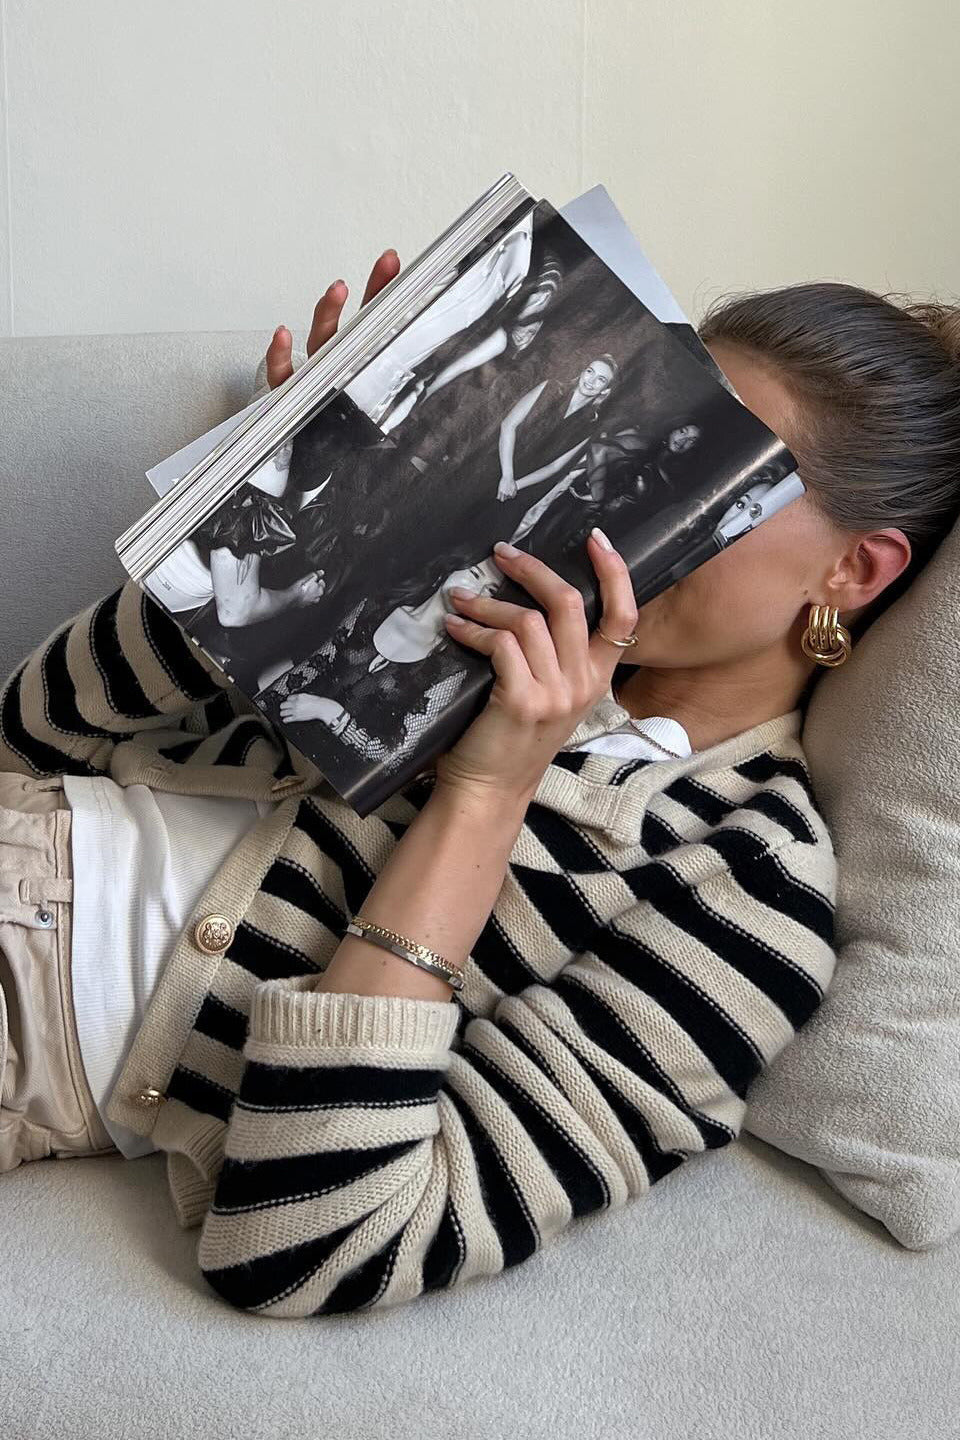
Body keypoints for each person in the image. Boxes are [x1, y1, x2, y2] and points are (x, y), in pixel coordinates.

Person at [2, 258, 959, 1328]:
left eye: (715, 468)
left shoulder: (750, 893)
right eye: (655, 440)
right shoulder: (487, 594)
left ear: (855, 571)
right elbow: (36, 730)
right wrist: (288, 511)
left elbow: (311, 1240)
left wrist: (489, 792)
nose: (634, 500)